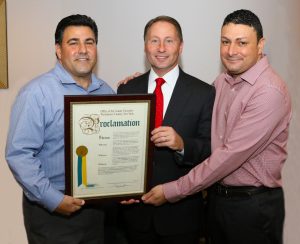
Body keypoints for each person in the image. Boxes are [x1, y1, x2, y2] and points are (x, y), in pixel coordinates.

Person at [142, 9, 292, 244]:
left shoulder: (268, 92)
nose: (231, 51)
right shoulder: (223, 82)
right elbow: (190, 103)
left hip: (252, 208)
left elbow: (227, 157)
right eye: (225, 42)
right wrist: (144, 85)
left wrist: (172, 191)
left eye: (241, 42)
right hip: (217, 202)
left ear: (260, 45)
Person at [5, 14, 115, 244]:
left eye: (89, 42)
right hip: (52, 214)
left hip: (96, 210)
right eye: (73, 42)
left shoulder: (107, 93)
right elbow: (19, 155)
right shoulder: (37, 93)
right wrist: (54, 200)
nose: (82, 49)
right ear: (58, 49)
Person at [117, 16, 215, 244]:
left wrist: (182, 145)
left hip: (180, 217)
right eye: (154, 41)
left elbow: (211, 149)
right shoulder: (126, 90)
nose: (161, 48)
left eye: (169, 41)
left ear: (180, 47)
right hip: (134, 216)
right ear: (145, 46)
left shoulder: (203, 92)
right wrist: (119, 189)